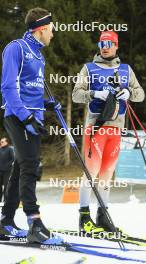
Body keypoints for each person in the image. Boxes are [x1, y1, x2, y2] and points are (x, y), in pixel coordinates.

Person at [0, 7, 63, 244]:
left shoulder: (39, 55)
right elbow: (8, 87)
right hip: (18, 116)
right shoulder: (16, 48)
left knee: (19, 168)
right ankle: (34, 223)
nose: (53, 35)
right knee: (30, 165)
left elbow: (28, 89)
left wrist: (46, 104)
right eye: (52, 30)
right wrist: (26, 117)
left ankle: (5, 221)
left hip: (32, 118)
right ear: (42, 28)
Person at [72, 31, 145, 234]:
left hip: (116, 129)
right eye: (101, 43)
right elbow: (76, 95)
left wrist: (129, 92)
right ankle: (84, 218)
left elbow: (140, 94)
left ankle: (103, 216)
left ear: (116, 45)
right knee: (91, 174)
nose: (104, 46)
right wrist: (95, 93)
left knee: (106, 175)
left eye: (109, 43)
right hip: (96, 128)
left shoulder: (125, 69)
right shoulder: (89, 68)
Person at [0, 137, 14, 202]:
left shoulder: (10, 149)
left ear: (6, 142)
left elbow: (13, 159)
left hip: (7, 170)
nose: (1, 143)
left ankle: (6, 200)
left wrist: (7, 165)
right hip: (0, 170)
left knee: (6, 185)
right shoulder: (0, 149)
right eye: (0, 142)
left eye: (2, 142)